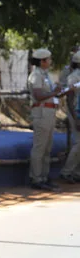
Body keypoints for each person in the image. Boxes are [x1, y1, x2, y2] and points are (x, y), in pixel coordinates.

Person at [28, 48, 71, 190]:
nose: (50, 61)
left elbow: (50, 94)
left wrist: (59, 91)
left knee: (47, 147)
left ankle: (44, 177)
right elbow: (39, 95)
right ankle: (36, 177)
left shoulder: (45, 75)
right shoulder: (36, 75)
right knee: (40, 146)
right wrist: (53, 92)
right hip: (41, 112)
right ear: (42, 61)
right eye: (48, 59)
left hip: (49, 112)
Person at [60, 51, 80, 183]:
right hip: (77, 113)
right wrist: (76, 118)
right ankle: (67, 172)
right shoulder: (74, 77)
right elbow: (70, 98)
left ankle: (75, 172)